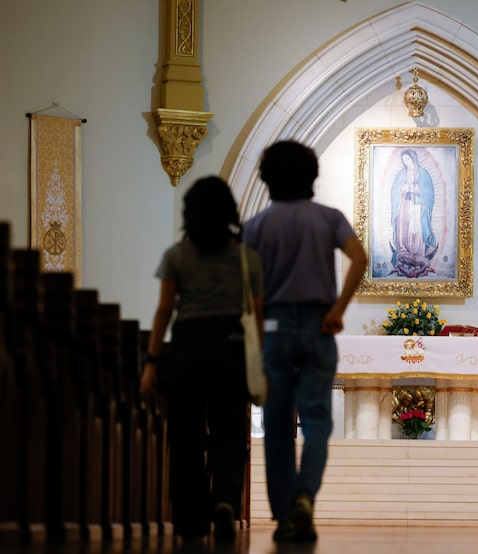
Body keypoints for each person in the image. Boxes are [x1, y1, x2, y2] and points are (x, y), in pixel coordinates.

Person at [242, 140, 368, 543]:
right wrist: (338, 310)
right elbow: (360, 258)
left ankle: (283, 515)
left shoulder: (257, 226)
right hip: (317, 326)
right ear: (311, 176)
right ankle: (305, 498)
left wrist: (260, 332)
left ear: (267, 178)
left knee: (277, 426)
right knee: (316, 422)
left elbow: (249, 287)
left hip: (274, 328)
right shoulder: (328, 218)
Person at [139, 176, 264, 545]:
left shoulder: (177, 255)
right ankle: (225, 501)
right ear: (229, 212)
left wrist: (150, 363)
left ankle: (191, 519)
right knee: (227, 431)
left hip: (189, 346)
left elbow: (164, 311)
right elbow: (258, 314)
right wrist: (263, 364)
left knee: (186, 434)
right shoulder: (247, 258)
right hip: (231, 345)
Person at [389, 148, 438, 278]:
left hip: (417, 206)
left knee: (416, 228)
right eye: (404, 160)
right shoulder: (401, 174)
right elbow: (394, 192)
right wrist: (401, 190)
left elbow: (429, 193)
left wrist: (418, 190)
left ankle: (418, 253)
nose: (406, 162)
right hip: (404, 204)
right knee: (404, 228)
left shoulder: (423, 174)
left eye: (408, 159)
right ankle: (404, 252)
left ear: (413, 158)